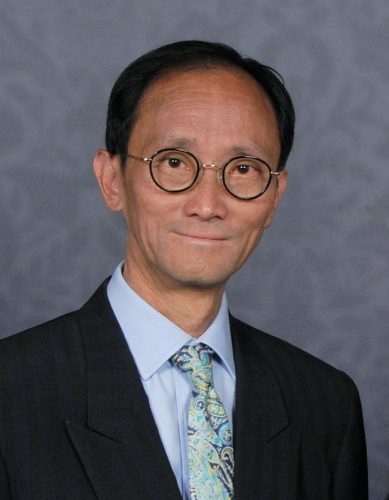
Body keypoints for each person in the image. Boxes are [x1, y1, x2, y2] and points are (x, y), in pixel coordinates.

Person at [0, 40, 368, 499]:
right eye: (173, 163)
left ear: (275, 196)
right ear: (111, 179)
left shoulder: (325, 404)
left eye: (243, 169)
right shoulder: (11, 391)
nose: (208, 204)